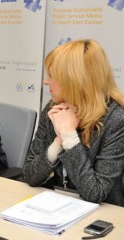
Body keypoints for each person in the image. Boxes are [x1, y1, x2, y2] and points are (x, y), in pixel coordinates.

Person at [23, 39, 124, 206]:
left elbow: (96, 193)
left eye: (52, 75)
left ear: (74, 80)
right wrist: (58, 143)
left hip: (104, 213)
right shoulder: (53, 110)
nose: (45, 82)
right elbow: (29, 175)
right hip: (58, 205)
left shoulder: (116, 120)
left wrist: (69, 137)